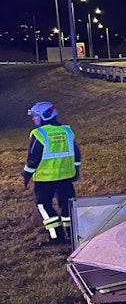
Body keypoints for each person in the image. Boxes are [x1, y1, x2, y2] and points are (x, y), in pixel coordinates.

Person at [22, 101, 81, 244]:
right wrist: (76, 170)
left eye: (35, 116)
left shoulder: (39, 133)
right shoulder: (67, 131)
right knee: (68, 205)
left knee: (43, 205)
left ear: (44, 116)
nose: (34, 119)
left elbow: (33, 158)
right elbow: (76, 154)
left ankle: (56, 237)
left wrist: (26, 176)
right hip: (67, 176)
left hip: (45, 178)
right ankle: (72, 234)